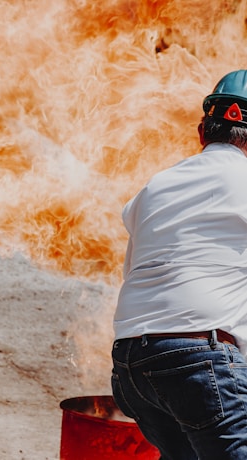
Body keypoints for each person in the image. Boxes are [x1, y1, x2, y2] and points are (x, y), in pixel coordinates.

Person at [111, 69, 247, 460]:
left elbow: (134, 271)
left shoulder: (155, 186)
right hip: (199, 363)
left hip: (132, 366)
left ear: (203, 131)